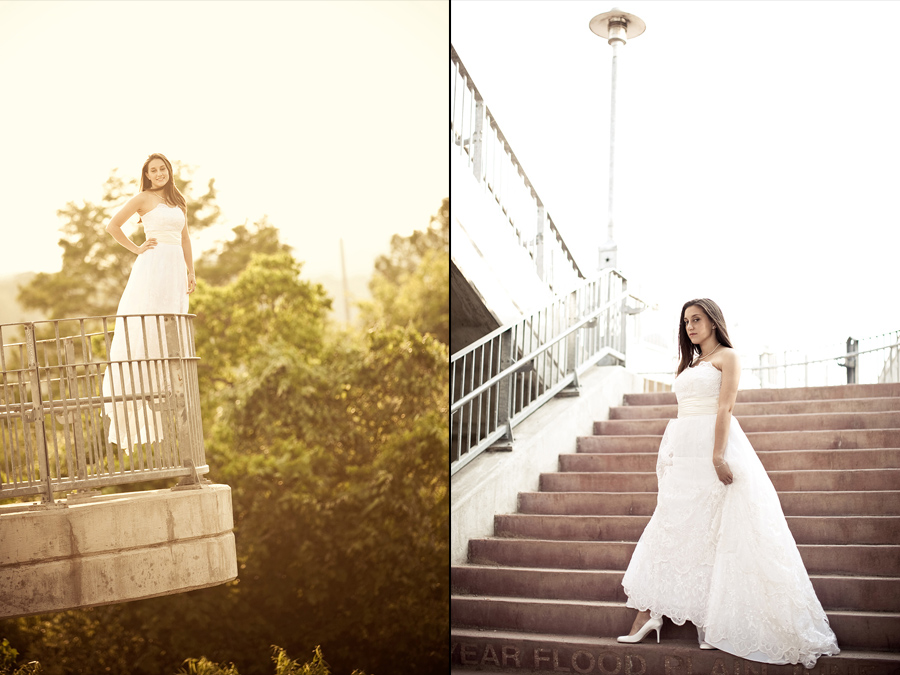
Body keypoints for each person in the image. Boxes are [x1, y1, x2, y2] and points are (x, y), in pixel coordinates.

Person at [616, 298, 839, 669]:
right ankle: (650, 612)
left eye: (697, 319)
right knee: (674, 527)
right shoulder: (693, 362)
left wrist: (717, 456)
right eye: (686, 321)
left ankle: (707, 622)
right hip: (682, 450)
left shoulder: (727, 357)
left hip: (711, 446)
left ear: (714, 322)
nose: (690, 326)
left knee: (711, 531)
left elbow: (725, 408)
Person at [100, 153, 195, 451]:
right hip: (152, 265)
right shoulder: (143, 198)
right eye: (152, 170)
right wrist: (137, 248)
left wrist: (191, 271)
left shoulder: (179, 201)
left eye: (162, 168)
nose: (158, 173)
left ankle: (168, 383)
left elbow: (185, 239)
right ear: (147, 174)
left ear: (169, 170)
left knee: (172, 323)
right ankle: (141, 388)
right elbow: (113, 226)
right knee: (148, 320)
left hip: (175, 267)